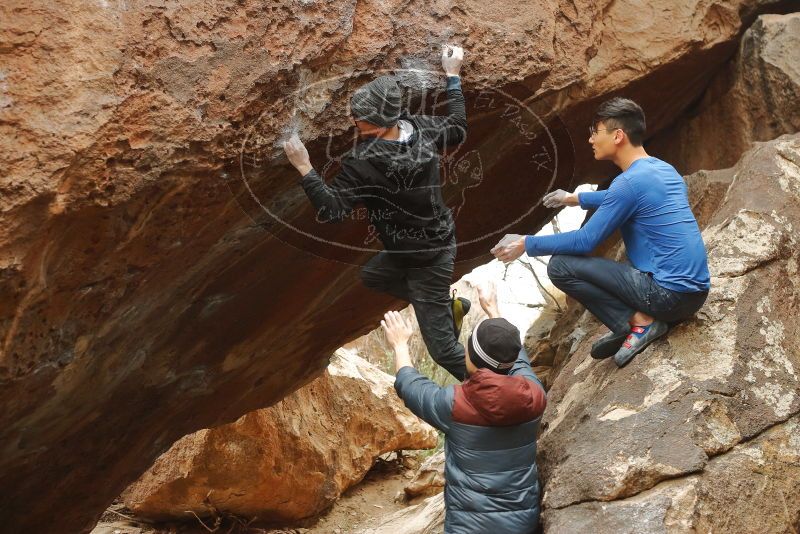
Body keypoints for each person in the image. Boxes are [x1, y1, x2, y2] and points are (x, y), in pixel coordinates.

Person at [284, 45, 471, 380]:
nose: (352, 120)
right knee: (373, 275)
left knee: (443, 351)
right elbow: (458, 127)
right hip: (434, 239)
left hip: (427, 262)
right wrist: (453, 75)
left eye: (357, 116)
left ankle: (493, 393)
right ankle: (442, 305)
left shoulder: (365, 162)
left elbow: (332, 210)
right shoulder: (421, 129)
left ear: (373, 122)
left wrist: (304, 166)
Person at [491, 97, 710, 367]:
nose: (591, 139)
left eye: (595, 132)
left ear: (618, 136)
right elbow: (624, 196)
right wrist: (574, 198)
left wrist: (526, 243)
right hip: (695, 295)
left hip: (666, 298)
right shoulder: (663, 170)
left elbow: (585, 240)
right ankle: (629, 323)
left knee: (560, 266)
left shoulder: (628, 182)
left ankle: (640, 323)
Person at [382, 282, 546, 534]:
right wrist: (494, 311)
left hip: (468, 527)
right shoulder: (534, 394)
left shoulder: (455, 404)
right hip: (522, 523)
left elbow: (409, 384)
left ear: (472, 359)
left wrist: (400, 344)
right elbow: (518, 358)